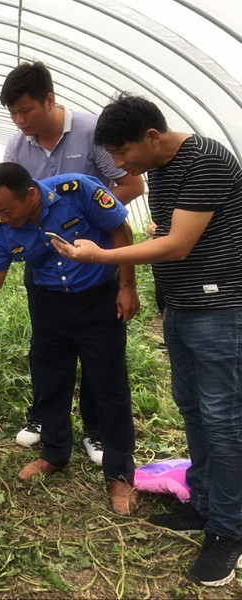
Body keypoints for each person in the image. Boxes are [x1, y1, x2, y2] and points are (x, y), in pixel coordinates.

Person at [53, 93, 242, 586]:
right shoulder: (161, 169)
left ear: (152, 138)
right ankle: (202, 504)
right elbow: (172, 229)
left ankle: (230, 529)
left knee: (224, 418)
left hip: (222, 308)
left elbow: (178, 245)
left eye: (122, 153)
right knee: (195, 409)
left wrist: (102, 258)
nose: (119, 166)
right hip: (181, 307)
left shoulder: (207, 160)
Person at [0, 161, 138, 513]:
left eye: (8, 209)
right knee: (50, 380)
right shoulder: (1, 225)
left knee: (109, 385)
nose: (4, 217)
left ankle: (120, 475)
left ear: (30, 194)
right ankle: (55, 454)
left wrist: (127, 287)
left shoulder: (78, 191)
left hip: (98, 299)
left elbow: (121, 231)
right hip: (49, 305)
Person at [0, 61, 144, 462]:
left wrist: (89, 218)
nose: (19, 120)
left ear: (50, 100)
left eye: (25, 110)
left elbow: (130, 182)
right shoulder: (17, 146)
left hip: (94, 266)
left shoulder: (92, 132)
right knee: (50, 353)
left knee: (102, 361)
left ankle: (97, 434)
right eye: (13, 113)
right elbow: (18, 204)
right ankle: (49, 431)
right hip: (45, 270)